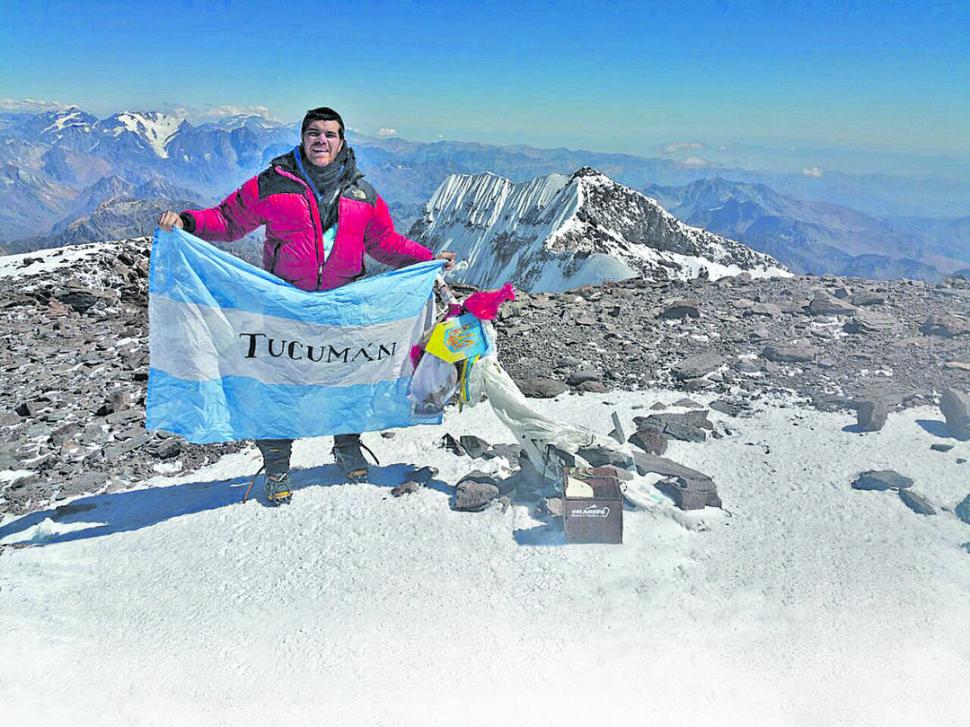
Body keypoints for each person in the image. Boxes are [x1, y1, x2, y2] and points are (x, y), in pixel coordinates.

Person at [159, 106, 455, 504]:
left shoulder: (362, 194)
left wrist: (427, 259)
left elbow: (384, 242)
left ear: (342, 142)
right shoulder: (272, 184)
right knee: (278, 385)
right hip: (285, 305)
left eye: (330, 134)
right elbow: (229, 220)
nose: (321, 140)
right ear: (302, 138)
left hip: (341, 306)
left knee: (346, 378)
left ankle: (346, 446)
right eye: (314, 132)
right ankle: (277, 465)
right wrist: (188, 223)